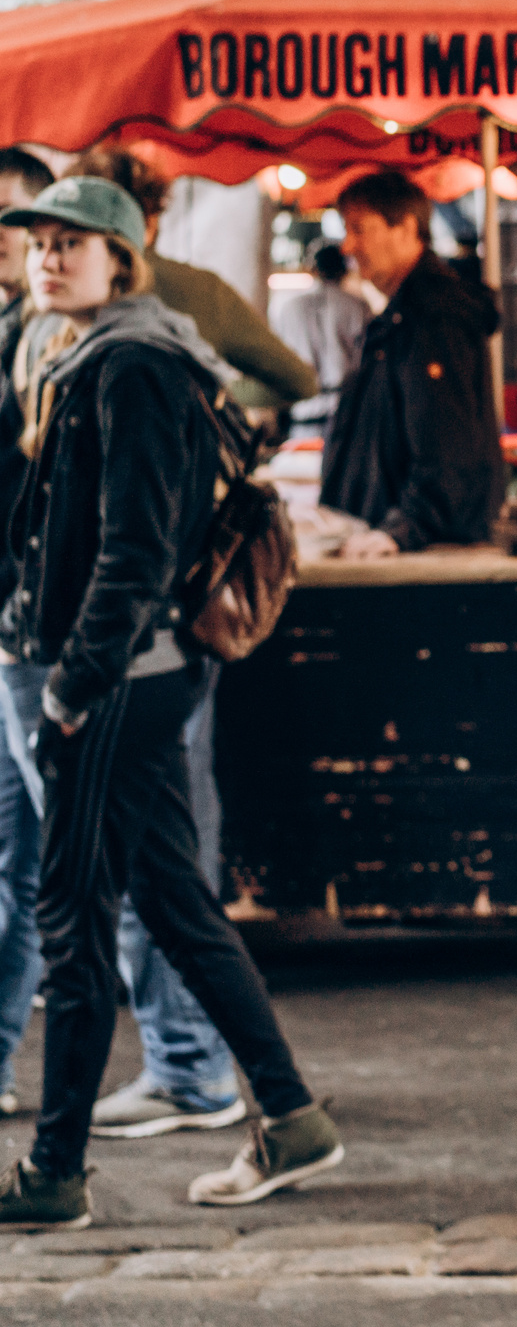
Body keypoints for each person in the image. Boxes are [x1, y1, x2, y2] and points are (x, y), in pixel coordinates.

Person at [0, 177, 342, 1230]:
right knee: (175, 906)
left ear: (123, 257)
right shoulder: (95, 352)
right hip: (124, 679)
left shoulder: (136, 364)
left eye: (73, 244)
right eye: (39, 244)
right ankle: (291, 1116)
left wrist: (70, 686)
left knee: (72, 920)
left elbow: (137, 553)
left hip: (117, 684)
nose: (49, 259)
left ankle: (55, 1173)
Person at [320, 171, 507, 559]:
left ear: (406, 228)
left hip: (424, 555)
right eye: (346, 230)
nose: (347, 246)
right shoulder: (400, 317)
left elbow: (446, 444)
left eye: (359, 230)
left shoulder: (433, 317)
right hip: (391, 545)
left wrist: (403, 531)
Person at [71, 148, 318, 412]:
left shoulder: (56, 292)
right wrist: (215, 395)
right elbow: (299, 381)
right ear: (152, 220)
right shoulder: (202, 291)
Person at [0, 147, 52, 1121]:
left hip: (43, 632)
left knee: (98, 872)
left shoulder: (63, 343)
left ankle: (197, 1064)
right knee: (24, 856)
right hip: (16, 628)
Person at [271, 241, 372, 436]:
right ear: (344, 270)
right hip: (346, 411)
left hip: (302, 412)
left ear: (313, 270)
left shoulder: (288, 308)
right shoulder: (358, 307)